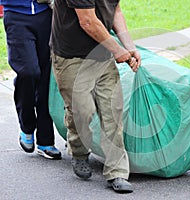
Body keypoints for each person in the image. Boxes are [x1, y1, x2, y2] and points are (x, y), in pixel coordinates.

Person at [51, 0, 141, 193]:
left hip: (102, 54)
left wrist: (129, 46)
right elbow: (88, 21)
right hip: (71, 57)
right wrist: (118, 50)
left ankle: (117, 171)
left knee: (113, 112)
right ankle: (79, 151)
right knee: (82, 112)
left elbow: (115, 10)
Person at [0, 0, 61, 160]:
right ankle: (26, 125)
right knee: (28, 72)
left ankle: (45, 141)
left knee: (46, 77)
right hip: (16, 15)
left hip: (46, 13)